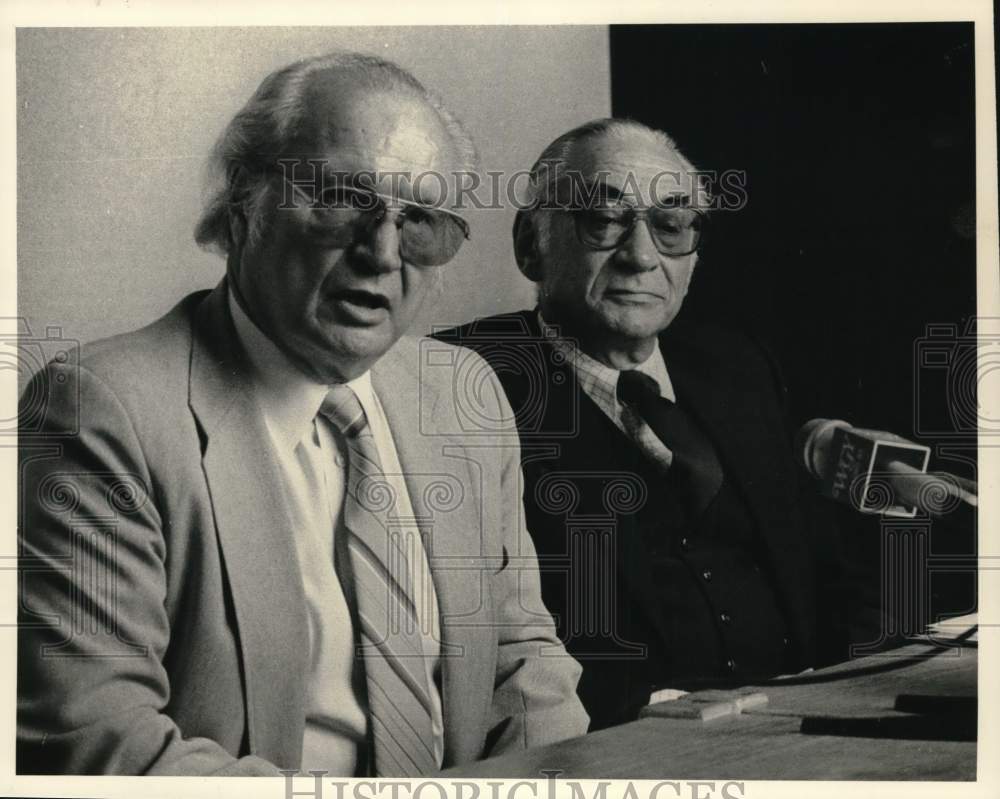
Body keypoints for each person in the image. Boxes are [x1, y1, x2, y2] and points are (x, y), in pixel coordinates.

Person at [17, 52, 588, 776]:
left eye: (419, 219)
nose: (382, 252)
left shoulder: (464, 391)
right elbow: (99, 739)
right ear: (243, 206)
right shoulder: (102, 409)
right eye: (343, 197)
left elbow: (521, 662)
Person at [434, 118, 875, 731]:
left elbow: (823, 571)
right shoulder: (460, 383)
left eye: (670, 226)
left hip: (800, 721)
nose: (641, 256)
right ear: (530, 244)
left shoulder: (736, 366)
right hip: (618, 750)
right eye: (603, 219)